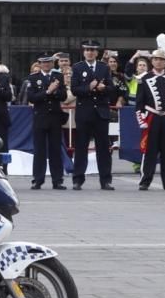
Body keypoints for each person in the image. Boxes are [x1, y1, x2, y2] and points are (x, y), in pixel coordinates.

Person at [71, 39, 118, 191]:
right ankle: (78, 179)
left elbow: (112, 88)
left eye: (92, 50)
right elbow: (74, 89)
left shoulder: (104, 67)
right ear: (84, 52)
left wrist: (103, 88)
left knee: (104, 148)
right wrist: (89, 88)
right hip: (84, 112)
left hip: (101, 113)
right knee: (81, 147)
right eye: (87, 50)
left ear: (97, 53)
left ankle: (105, 180)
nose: (90, 52)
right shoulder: (78, 67)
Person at [134, 49, 165, 192]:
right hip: (152, 117)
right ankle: (145, 181)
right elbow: (139, 102)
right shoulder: (144, 78)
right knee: (149, 150)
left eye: (161, 59)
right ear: (152, 61)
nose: (158, 61)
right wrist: (141, 119)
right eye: (156, 59)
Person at [26, 52, 67, 190]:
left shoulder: (58, 76)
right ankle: (38, 179)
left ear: (52, 63)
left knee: (55, 149)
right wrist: (48, 92)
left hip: (55, 117)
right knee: (39, 150)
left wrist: (55, 91)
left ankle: (58, 180)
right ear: (39, 63)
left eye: (49, 62)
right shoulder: (33, 78)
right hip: (40, 117)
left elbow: (63, 96)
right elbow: (31, 97)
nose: (46, 64)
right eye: (44, 62)